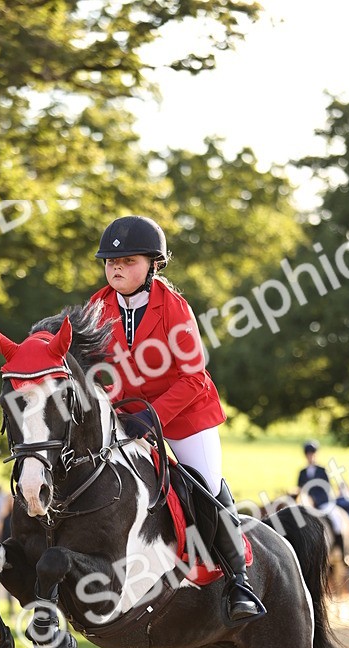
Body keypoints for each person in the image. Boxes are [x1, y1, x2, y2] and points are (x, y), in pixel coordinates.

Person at [90, 214, 264, 621]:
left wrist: (150, 420)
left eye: (128, 261)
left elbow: (192, 378)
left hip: (185, 415)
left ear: (153, 264)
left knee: (206, 485)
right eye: (110, 261)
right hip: (123, 416)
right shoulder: (96, 307)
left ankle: (238, 580)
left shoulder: (174, 307)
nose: (116, 267)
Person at [297, 441, 333, 510]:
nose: (310, 457)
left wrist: (314, 499)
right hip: (307, 502)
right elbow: (300, 487)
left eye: (312, 454)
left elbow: (327, 487)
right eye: (308, 455)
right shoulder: (302, 472)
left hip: (322, 501)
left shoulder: (322, 470)